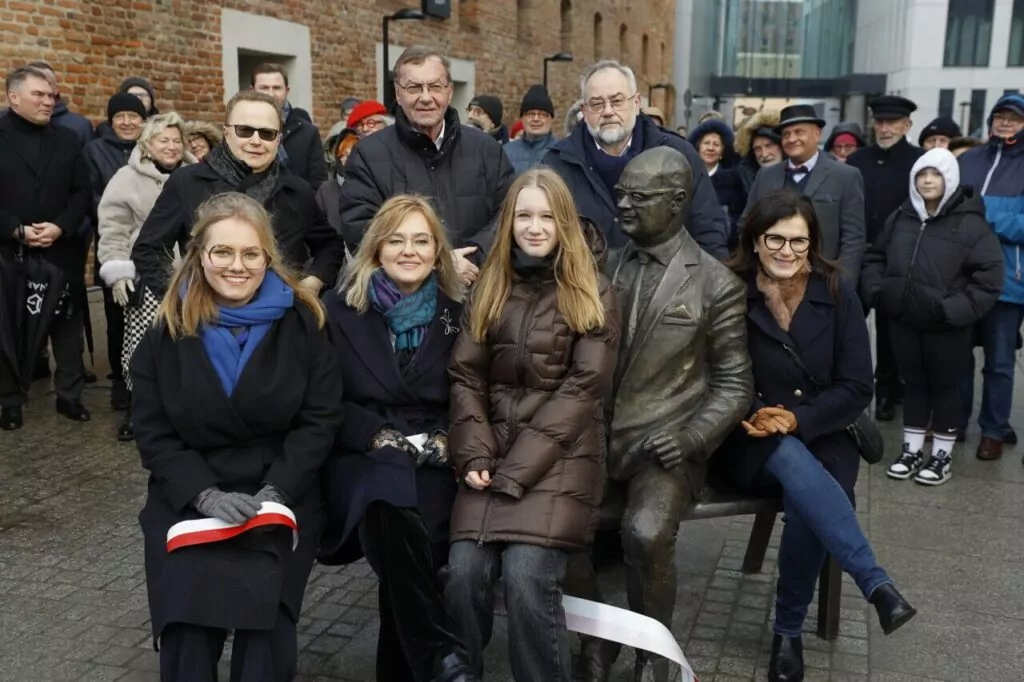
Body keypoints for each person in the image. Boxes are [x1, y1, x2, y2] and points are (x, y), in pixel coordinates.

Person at [131, 192, 343, 681]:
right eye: (221, 252)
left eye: (251, 253)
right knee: (186, 625)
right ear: (199, 254)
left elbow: (320, 418)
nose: (236, 266)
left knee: (264, 629)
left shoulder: (304, 320)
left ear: (268, 257)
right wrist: (202, 493)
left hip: (280, 490)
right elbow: (153, 429)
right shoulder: (166, 328)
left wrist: (278, 490)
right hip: (189, 496)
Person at [712, 189, 916, 681]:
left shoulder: (838, 290)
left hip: (823, 431)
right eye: (776, 240)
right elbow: (713, 374)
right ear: (755, 241)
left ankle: (788, 633)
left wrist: (799, 419)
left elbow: (857, 387)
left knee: (810, 486)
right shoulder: (727, 290)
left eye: (799, 242)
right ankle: (874, 584)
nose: (787, 251)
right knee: (788, 457)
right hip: (747, 437)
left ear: (813, 243)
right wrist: (765, 415)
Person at [572, 147, 752, 682]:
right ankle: (597, 641)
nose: (622, 205)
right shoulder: (604, 265)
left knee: (646, 533)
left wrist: (693, 435)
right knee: (558, 526)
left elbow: (735, 383)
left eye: (638, 197)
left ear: (677, 202)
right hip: (598, 436)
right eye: (621, 194)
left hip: (667, 445)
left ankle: (655, 655)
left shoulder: (716, 284)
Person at [445, 168, 620, 681]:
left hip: (564, 459)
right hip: (493, 454)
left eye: (547, 216)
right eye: (524, 215)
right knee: (462, 574)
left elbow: (585, 387)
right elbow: (465, 373)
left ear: (564, 222)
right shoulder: (491, 286)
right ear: (509, 222)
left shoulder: (594, 291)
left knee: (525, 577)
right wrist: (476, 452)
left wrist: (516, 469)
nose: (535, 226)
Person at [319, 195, 477, 682]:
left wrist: (448, 440)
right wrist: (378, 435)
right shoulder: (339, 311)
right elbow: (324, 402)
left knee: (411, 546)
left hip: (435, 453)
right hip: (361, 454)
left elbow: (475, 392)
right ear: (376, 248)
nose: (409, 251)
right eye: (396, 240)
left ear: (437, 250)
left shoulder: (460, 311)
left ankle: (420, 664)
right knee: (387, 501)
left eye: (421, 241)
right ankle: (437, 654)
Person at [861, 149, 1003, 484]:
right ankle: (911, 450)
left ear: (949, 178)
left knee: (946, 388)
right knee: (914, 385)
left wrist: (951, 310)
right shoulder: (901, 217)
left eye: (936, 174)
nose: (927, 180)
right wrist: (880, 292)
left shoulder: (970, 223)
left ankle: (941, 456)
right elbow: (876, 257)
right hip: (905, 320)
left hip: (946, 326)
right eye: (922, 173)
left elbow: (990, 276)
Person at [132, 90, 344, 302]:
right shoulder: (186, 183)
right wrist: (181, 297)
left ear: (278, 139)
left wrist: (313, 281)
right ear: (226, 132)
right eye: (244, 130)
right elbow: (148, 250)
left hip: (280, 319)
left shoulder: (298, 191)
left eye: (267, 133)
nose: (256, 140)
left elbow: (330, 245)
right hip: (203, 317)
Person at [340, 45, 515, 285]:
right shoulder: (368, 155)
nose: (425, 97)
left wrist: (473, 259)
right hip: (404, 298)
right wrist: (439, 263)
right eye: (413, 88)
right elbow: (360, 228)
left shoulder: (487, 150)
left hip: (478, 293)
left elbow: (509, 213)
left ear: (450, 91)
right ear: (398, 94)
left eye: (435, 86)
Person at [543, 60, 730, 257]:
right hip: (584, 285)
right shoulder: (557, 164)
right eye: (597, 103)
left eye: (617, 101)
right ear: (584, 110)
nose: (608, 111)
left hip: (666, 285)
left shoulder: (679, 155)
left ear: (636, 103)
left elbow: (707, 230)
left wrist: (709, 285)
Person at [0, 66, 91, 431]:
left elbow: (82, 192)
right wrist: (14, 229)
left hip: (59, 248)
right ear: (13, 97)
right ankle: (9, 401)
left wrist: (60, 226)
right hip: (8, 251)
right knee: (7, 326)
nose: (48, 101)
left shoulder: (68, 139)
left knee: (67, 325)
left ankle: (69, 395)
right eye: (38, 94)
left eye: (51, 95)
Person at [97, 112, 196, 442]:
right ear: (147, 143)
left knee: (189, 343)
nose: (170, 146)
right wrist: (117, 270)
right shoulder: (126, 179)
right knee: (142, 345)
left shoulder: (196, 176)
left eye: (176, 140)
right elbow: (113, 228)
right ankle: (138, 410)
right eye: (162, 140)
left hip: (192, 275)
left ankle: (183, 410)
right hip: (146, 276)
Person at [846, 96, 924, 421]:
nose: (885, 128)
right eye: (880, 122)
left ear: (907, 125)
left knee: (892, 331)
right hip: (856, 255)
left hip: (896, 260)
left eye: (892, 122)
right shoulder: (857, 160)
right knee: (848, 325)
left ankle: (889, 392)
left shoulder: (919, 161)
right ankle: (849, 387)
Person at [958, 93, 1024, 461]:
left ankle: (994, 430)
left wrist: (986, 215)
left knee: (999, 362)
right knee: (959, 356)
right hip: (961, 277)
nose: (1005, 123)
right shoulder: (969, 159)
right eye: (1000, 116)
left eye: (1013, 118)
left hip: (1007, 281)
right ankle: (956, 421)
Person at [745, 104, 866, 285]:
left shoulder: (846, 176)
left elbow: (853, 238)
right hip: (770, 282)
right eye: (786, 134)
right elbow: (746, 225)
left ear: (817, 134)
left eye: (799, 132)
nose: (792, 139)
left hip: (823, 281)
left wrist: (843, 284)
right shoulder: (766, 175)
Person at [84, 93, 149, 410]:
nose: (127, 122)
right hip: (115, 243)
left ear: (143, 120)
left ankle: (149, 378)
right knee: (116, 316)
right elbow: (91, 194)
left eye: (133, 116)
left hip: (150, 248)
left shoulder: (152, 149)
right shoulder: (95, 151)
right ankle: (121, 380)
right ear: (111, 121)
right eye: (120, 116)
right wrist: (120, 212)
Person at [252, 62, 329, 188]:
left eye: (277, 88)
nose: (271, 94)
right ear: (252, 90)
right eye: (264, 88)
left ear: (286, 90)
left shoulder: (308, 132)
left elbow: (318, 184)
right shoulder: (240, 131)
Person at [688, 117, 746, 244]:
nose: (711, 148)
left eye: (716, 144)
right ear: (698, 148)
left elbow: (738, 217)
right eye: (706, 143)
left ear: (722, 153)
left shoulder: (734, 182)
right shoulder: (686, 177)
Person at [503, 84, 558, 174]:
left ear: (551, 119)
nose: (536, 119)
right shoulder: (507, 152)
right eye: (530, 114)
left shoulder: (561, 153)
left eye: (542, 114)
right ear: (522, 118)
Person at [316, 128, 359, 236]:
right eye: (344, 154)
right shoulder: (327, 190)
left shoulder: (371, 186)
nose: (348, 159)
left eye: (353, 153)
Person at [733, 110, 782, 195]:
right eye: (757, 149)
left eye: (769, 146)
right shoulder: (742, 180)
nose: (764, 154)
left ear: (781, 145)